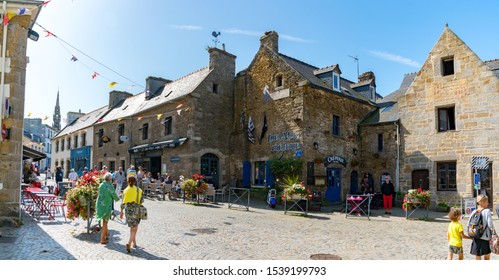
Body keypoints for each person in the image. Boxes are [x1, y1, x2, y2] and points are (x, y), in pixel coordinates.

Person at [120, 175, 144, 253]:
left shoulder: (125, 190)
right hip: (136, 209)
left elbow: (122, 203)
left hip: (128, 210)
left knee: (132, 227)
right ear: (135, 182)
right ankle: (129, 243)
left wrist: (121, 212)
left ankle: (134, 243)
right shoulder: (139, 190)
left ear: (127, 181)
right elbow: (142, 200)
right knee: (135, 227)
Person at [468, 194, 495, 260]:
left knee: (477, 254)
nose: (488, 203)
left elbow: (468, 224)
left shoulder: (474, 211)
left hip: (476, 236)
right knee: (487, 254)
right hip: (485, 237)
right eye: (487, 201)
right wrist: (494, 233)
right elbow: (490, 225)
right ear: (482, 202)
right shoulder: (487, 211)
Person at [95, 172, 120, 244]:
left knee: (105, 221)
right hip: (106, 206)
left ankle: (106, 235)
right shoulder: (110, 186)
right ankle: (102, 239)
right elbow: (114, 195)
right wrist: (119, 198)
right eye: (111, 179)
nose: (112, 180)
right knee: (105, 222)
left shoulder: (101, 185)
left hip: (99, 206)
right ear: (109, 179)